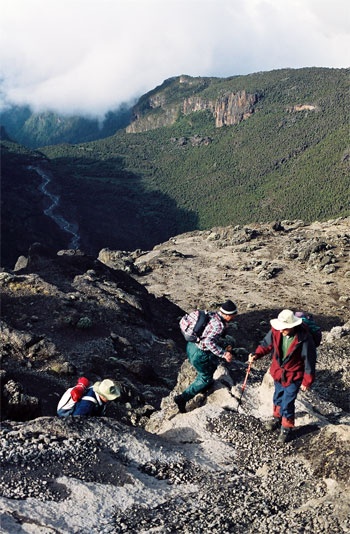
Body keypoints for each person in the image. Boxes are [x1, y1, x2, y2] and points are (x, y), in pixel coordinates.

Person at [248, 309, 317, 443]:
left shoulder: (304, 338)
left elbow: (310, 360)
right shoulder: (276, 331)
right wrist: (256, 354)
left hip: (294, 375)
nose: (281, 331)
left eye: (284, 328)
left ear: (292, 326)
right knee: (277, 396)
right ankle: (277, 417)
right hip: (278, 372)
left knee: (288, 402)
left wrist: (307, 381)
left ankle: (287, 427)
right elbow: (266, 345)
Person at [174, 300, 238, 413]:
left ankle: (203, 382)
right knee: (205, 378)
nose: (234, 317)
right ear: (227, 315)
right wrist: (224, 354)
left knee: (210, 365)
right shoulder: (218, 325)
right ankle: (182, 398)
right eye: (233, 315)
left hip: (191, 346)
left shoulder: (212, 315)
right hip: (200, 353)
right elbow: (208, 341)